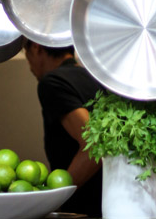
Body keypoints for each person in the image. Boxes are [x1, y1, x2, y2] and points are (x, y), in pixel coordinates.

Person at [23, 39, 103, 217]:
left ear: (36, 48)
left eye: (26, 55)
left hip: (83, 207)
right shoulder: (93, 77)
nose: (30, 66)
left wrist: (54, 200)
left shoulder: (52, 83)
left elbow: (95, 142)